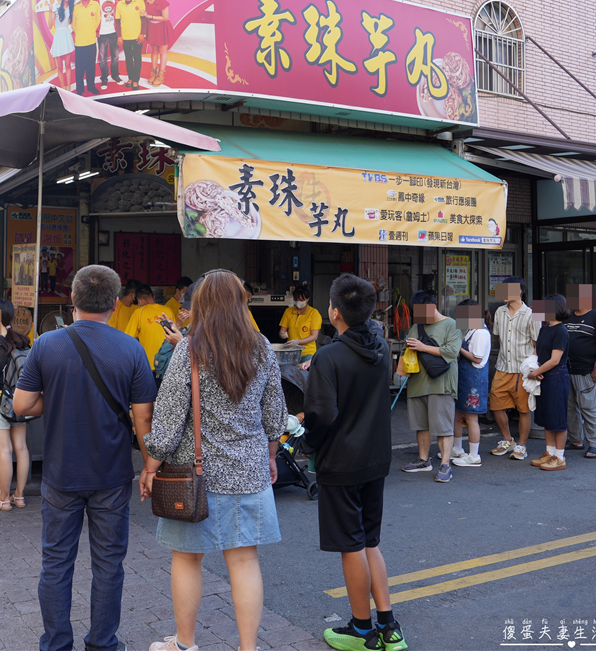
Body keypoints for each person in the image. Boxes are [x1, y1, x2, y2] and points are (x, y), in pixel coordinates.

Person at [12, 265, 157, 651]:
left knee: (56, 563)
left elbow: (22, 405)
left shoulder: (46, 344)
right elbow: (143, 418)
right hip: (112, 475)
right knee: (109, 564)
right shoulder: (131, 349)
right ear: (115, 303)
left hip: (61, 473)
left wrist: (57, 398)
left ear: (73, 299)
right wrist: (149, 466)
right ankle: (103, 642)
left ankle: (57, 643)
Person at [141, 270, 285, 651]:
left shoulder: (189, 348)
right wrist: (271, 456)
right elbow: (275, 415)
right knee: (244, 562)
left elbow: (169, 418)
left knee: (188, 560)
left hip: (195, 476)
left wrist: (151, 466)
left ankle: (184, 645)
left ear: (200, 304)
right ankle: (248, 648)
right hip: (249, 472)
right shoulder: (261, 347)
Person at [304, 274, 407, 651]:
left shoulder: (328, 356)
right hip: (375, 458)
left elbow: (321, 415)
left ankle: (362, 630)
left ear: (334, 311)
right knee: (370, 541)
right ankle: (389, 626)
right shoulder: (380, 348)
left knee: (351, 545)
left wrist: (306, 443)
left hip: (341, 461)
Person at [397, 291, 462, 483]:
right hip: (417, 383)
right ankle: (423, 460)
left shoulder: (452, 324)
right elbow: (408, 351)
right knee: (421, 425)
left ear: (433, 307)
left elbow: (452, 351)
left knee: (443, 427)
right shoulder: (416, 327)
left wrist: (423, 347)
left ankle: (445, 464)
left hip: (441, 384)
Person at [0, 299, 32, 512]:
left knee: (4, 450)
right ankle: (18, 496)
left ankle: (2, 499)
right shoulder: (22, 340)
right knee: (21, 448)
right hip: (18, 399)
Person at [489, 277, 540, 461]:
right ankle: (508, 439)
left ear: (519, 291)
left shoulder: (532, 314)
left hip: (523, 370)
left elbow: (537, 344)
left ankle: (522, 445)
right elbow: (500, 338)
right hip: (503, 367)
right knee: (495, 405)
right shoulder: (499, 312)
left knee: (524, 409)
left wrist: (533, 368)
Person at [563, 284, 596, 459]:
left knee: (588, 407)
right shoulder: (567, 317)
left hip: (586, 370)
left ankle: (594, 444)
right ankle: (576, 440)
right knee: (570, 407)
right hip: (566, 369)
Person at [527, 295, 571, 471]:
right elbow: (537, 351)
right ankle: (549, 452)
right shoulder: (544, 328)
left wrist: (535, 372)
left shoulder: (561, 330)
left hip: (557, 375)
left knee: (558, 417)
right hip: (544, 374)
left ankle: (559, 457)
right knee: (546, 416)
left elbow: (555, 360)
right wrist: (535, 370)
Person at [450, 300, 491, 468]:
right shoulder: (471, 330)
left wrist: (458, 349)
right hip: (466, 378)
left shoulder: (480, 332)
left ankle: (474, 456)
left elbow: (477, 358)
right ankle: (457, 449)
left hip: (474, 380)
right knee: (456, 415)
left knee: (471, 418)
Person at [124, 285, 177, 370]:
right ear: (153, 296)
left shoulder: (138, 313)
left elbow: (127, 339)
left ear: (139, 300)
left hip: (149, 364)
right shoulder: (168, 310)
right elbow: (175, 332)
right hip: (168, 363)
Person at [115, 0, 146, 90]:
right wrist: (119, 36)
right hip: (125, 37)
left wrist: (142, 34)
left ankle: (136, 80)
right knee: (128, 58)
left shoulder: (139, 1)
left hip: (137, 36)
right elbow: (117, 22)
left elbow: (144, 19)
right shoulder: (120, 4)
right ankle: (131, 78)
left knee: (137, 58)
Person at [73, 0, 101, 96]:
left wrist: (90, 31)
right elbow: (73, 25)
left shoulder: (95, 5)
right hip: (79, 43)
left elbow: (97, 20)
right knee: (79, 68)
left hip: (91, 41)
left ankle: (91, 86)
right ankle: (80, 89)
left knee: (91, 66)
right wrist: (81, 33)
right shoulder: (76, 7)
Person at [279, 286, 321, 360]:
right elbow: (282, 331)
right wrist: (283, 334)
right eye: (296, 299)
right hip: (291, 352)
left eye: (301, 300)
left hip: (307, 353)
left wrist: (297, 342)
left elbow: (314, 336)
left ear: (307, 299)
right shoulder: (288, 311)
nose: (298, 302)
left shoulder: (314, 313)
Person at [143, 0, 172, 87]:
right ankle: (154, 72)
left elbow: (165, 18)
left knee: (162, 51)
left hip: (162, 27)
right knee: (154, 51)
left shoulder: (161, 1)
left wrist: (149, 16)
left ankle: (161, 75)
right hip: (152, 27)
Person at [94, 0, 121, 90]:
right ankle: (104, 78)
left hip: (115, 31)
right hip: (102, 33)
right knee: (102, 58)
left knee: (115, 57)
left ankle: (115, 75)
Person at [51, 0, 76, 91]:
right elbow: (50, 25)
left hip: (66, 35)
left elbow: (71, 22)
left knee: (68, 65)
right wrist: (51, 11)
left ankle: (68, 88)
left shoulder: (71, 8)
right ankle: (62, 89)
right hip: (58, 36)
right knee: (60, 67)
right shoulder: (56, 6)